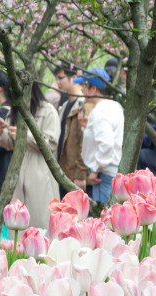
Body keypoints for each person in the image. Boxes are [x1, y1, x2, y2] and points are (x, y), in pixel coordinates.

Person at [0, 82, 61, 231]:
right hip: (17, 170)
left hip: (40, 170)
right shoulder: (15, 110)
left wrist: (24, 135)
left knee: (40, 222)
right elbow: (10, 144)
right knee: (18, 224)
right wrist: (2, 132)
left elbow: (51, 143)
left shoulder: (47, 110)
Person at [75, 67, 123, 204]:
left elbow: (106, 144)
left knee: (104, 219)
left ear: (93, 89)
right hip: (111, 172)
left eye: (84, 86)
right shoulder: (114, 106)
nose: (82, 90)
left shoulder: (100, 111)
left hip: (103, 175)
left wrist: (96, 168)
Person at [53, 64, 89, 191]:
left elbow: (85, 141)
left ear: (73, 77)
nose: (57, 82)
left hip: (75, 175)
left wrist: (81, 174)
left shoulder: (84, 105)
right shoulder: (65, 105)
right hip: (63, 171)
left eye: (60, 78)